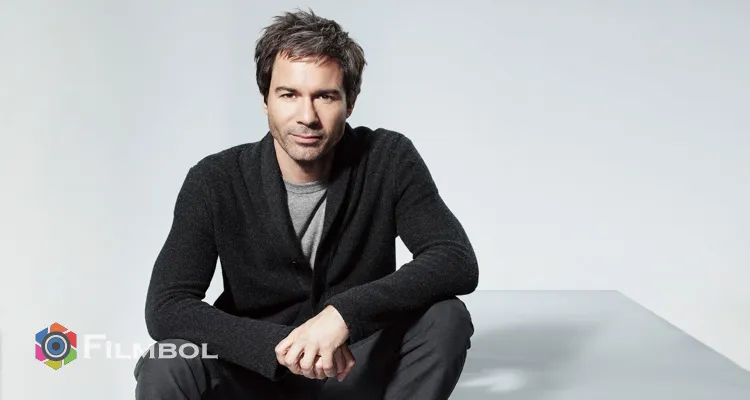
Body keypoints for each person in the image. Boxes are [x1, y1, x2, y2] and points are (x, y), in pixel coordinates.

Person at [134, 8, 478, 400]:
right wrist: (281, 347)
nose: (307, 116)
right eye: (289, 95)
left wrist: (343, 316)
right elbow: (167, 306)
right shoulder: (215, 179)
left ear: (350, 103)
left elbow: (454, 259)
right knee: (167, 360)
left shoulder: (388, 157)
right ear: (265, 100)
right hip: (253, 375)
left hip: (353, 369)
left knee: (445, 317)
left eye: (325, 96)